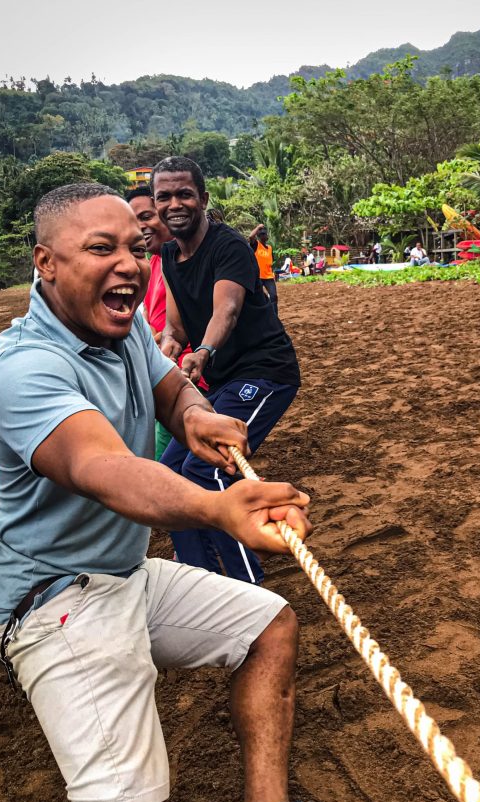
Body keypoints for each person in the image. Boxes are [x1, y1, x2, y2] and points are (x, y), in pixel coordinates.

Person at [0, 183, 376, 802]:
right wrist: (217, 508)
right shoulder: (24, 369)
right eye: (101, 249)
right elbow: (105, 468)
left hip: (122, 575)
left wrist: (197, 415)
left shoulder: (121, 324)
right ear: (46, 263)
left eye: (136, 247)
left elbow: (171, 390)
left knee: (268, 627)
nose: (128, 264)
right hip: (52, 600)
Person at [151, 157, 301, 585]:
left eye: (184, 194)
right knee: (171, 472)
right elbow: (175, 327)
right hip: (221, 381)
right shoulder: (169, 254)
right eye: (164, 196)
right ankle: (199, 577)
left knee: (208, 469)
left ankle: (248, 586)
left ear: (203, 199)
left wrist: (204, 352)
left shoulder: (228, 246)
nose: (174, 204)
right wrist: (167, 350)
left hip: (264, 373)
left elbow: (227, 310)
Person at [125, 185, 207, 460]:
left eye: (147, 216)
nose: (141, 226)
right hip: (163, 376)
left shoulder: (186, 263)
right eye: (134, 220)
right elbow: (149, 321)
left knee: (169, 462)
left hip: (188, 380)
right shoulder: (151, 264)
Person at [248, 223, 278, 313]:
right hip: (258, 277)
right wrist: (258, 227)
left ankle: (274, 316)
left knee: (273, 296)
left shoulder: (270, 248)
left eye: (264, 234)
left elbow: (270, 262)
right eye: (261, 235)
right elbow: (250, 236)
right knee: (257, 298)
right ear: (258, 237)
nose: (263, 236)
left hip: (269, 277)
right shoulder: (256, 245)